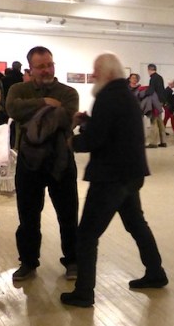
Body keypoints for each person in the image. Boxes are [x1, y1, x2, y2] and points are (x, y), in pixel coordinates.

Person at [61, 53, 166, 308]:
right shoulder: (125, 95)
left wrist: (72, 142)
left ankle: (84, 292)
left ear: (107, 74)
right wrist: (89, 121)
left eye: (96, 71)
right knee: (136, 224)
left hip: (110, 178)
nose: (93, 76)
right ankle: (156, 272)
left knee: (87, 235)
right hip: (131, 175)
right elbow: (112, 129)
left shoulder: (108, 97)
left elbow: (97, 139)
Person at [5, 46, 80, 281]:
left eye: (50, 64)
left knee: (68, 215)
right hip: (29, 163)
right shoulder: (18, 89)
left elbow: (66, 118)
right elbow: (12, 109)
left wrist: (31, 113)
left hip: (61, 161)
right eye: (41, 66)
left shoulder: (68, 92)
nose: (47, 70)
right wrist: (46, 102)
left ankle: (73, 261)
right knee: (28, 217)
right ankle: (28, 262)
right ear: (30, 69)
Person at [146, 63, 167, 147]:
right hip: (160, 101)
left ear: (149, 69)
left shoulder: (153, 78)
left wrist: (144, 93)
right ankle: (163, 142)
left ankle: (153, 143)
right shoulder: (160, 77)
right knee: (159, 121)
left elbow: (151, 91)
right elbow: (162, 90)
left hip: (155, 102)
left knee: (153, 121)